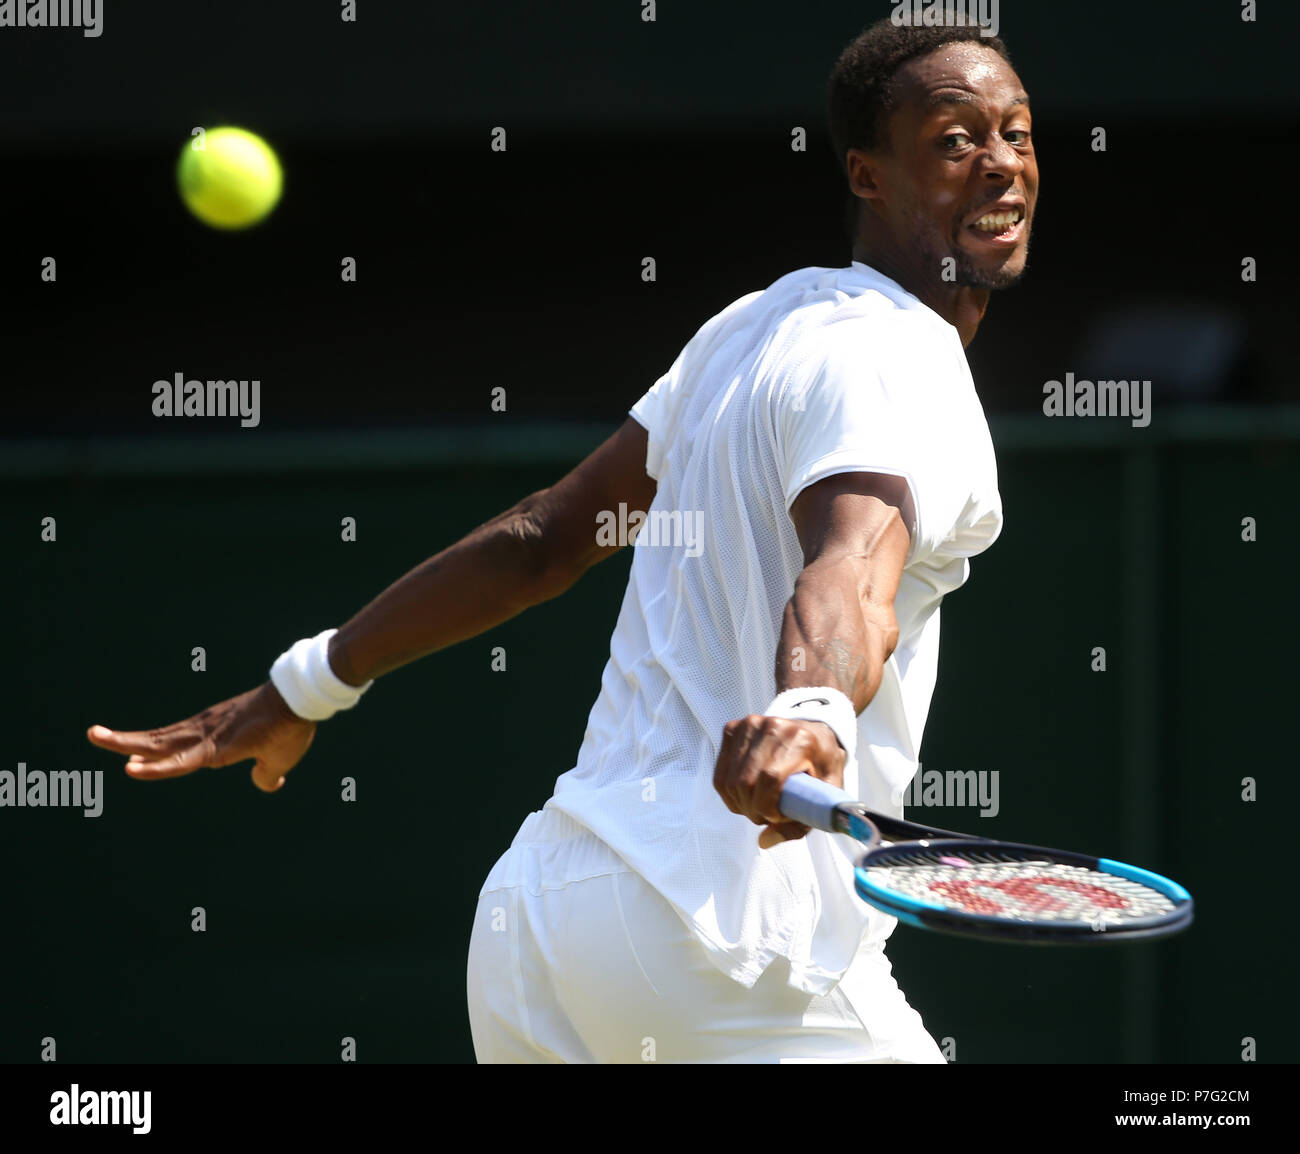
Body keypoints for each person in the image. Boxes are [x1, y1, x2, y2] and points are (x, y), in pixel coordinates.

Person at [87, 18, 1037, 1063]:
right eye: (955, 139)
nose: (1000, 162)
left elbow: (543, 539)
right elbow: (850, 563)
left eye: (1017, 133)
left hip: (542, 926)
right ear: (868, 172)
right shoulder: (904, 356)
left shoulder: (748, 328)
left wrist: (305, 683)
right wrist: (808, 705)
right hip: (720, 939)